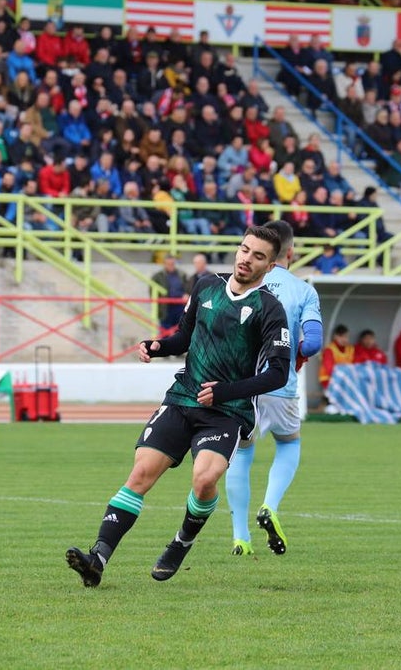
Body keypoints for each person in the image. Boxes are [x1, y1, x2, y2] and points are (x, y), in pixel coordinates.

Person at [65, 226, 290, 587]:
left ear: (271, 265)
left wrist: (226, 391)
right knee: (140, 475)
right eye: (244, 249)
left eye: (258, 256)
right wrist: (157, 346)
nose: (247, 259)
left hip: (226, 411)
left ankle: (181, 542)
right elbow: (184, 337)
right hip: (183, 398)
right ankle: (98, 559)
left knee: (204, 481)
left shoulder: (269, 309)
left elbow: (278, 373)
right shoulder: (205, 285)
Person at [225, 220, 323, 557]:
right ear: (290, 252)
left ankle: (241, 538)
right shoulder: (304, 291)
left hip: (242, 387)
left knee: (241, 453)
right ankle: (270, 505)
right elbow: (313, 342)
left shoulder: (242, 283)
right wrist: (297, 353)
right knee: (288, 443)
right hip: (280, 386)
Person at [150, 254, 187, 332]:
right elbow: (152, 292)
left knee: (180, 331)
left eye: (172, 264)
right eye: (168, 264)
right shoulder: (158, 276)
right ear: (164, 264)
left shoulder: (182, 274)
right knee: (165, 332)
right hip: (166, 307)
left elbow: (187, 288)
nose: (171, 266)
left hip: (180, 306)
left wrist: (186, 295)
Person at [319, 324, 353, 396]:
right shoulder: (329, 350)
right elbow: (329, 369)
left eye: (346, 336)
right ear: (335, 336)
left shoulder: (351, 349)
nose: (344, 339)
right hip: (330, 380)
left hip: (347, 379)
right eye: (341, 336)